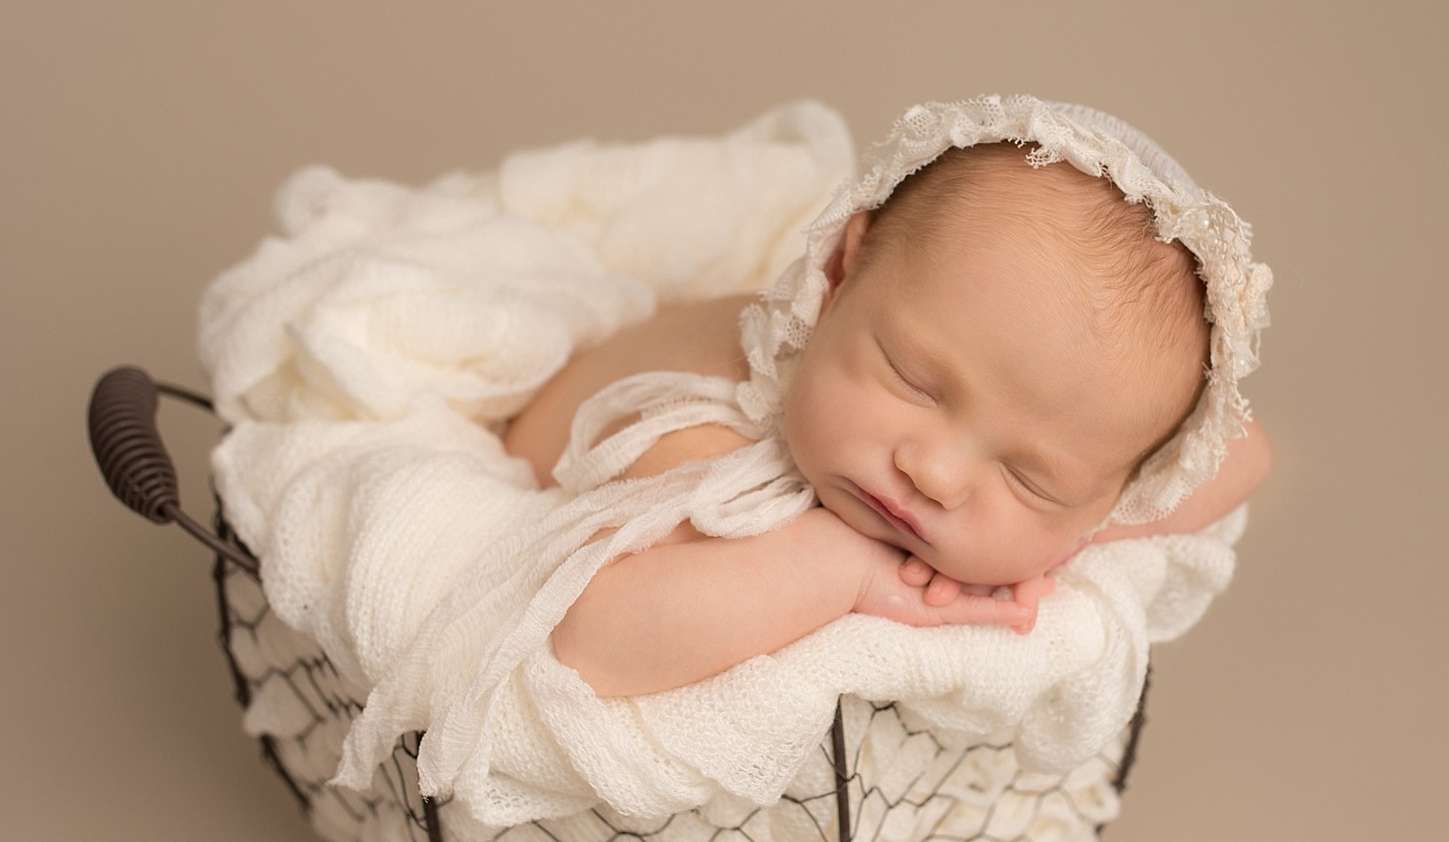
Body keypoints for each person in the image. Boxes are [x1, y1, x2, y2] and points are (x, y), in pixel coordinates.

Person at [502, 140, 1271, 698]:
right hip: (528, 461)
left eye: (1027, 474)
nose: (933, 473)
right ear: (839, 274)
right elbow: (588, 641)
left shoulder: (1054, 467)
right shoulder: (709, 445)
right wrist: (848, 568)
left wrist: (1056, 532)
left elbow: (1247, 452)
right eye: (914, 382)